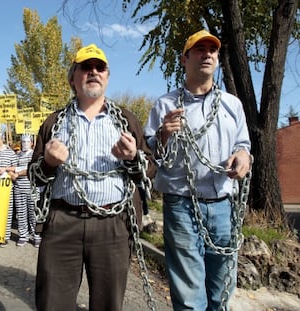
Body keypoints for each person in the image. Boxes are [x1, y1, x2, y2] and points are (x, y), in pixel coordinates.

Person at [29, 44, 155, 311]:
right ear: (72, 78)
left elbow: (149, 170)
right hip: (63, 222)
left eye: (100, 67)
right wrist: (50, 163)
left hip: (112, 224)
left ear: (107, 77)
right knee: (53, 302)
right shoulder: (54, 123)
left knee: (108, 305)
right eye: (86, 67)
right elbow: (34, 176)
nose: (93, 72)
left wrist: (133, 157)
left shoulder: (126, 120)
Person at [144, 29, 252, 311]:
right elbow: (151, 158)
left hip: (223, 207)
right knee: (191, 297)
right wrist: (164, 135)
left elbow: (243, 145)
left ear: (217, 59)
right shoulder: (165, 105)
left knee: (222, 292)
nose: (207, 55)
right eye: (199, 50)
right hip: (181, 205)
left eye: (212, 50)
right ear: (185, 59)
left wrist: (243, 157)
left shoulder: (232, 105)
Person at [11, 134, 40, 247]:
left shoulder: (34, 155)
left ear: (32, 143)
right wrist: (12, 173)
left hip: (32, 188)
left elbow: (32, 169)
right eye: (23, 141)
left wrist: (18, 173)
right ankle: (23, 235)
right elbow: (12, 167)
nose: (25, 143)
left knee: (33, 213)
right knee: (22, 213)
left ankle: (36, 235)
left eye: (27, 141)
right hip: (19, 188)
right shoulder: (17, 155)